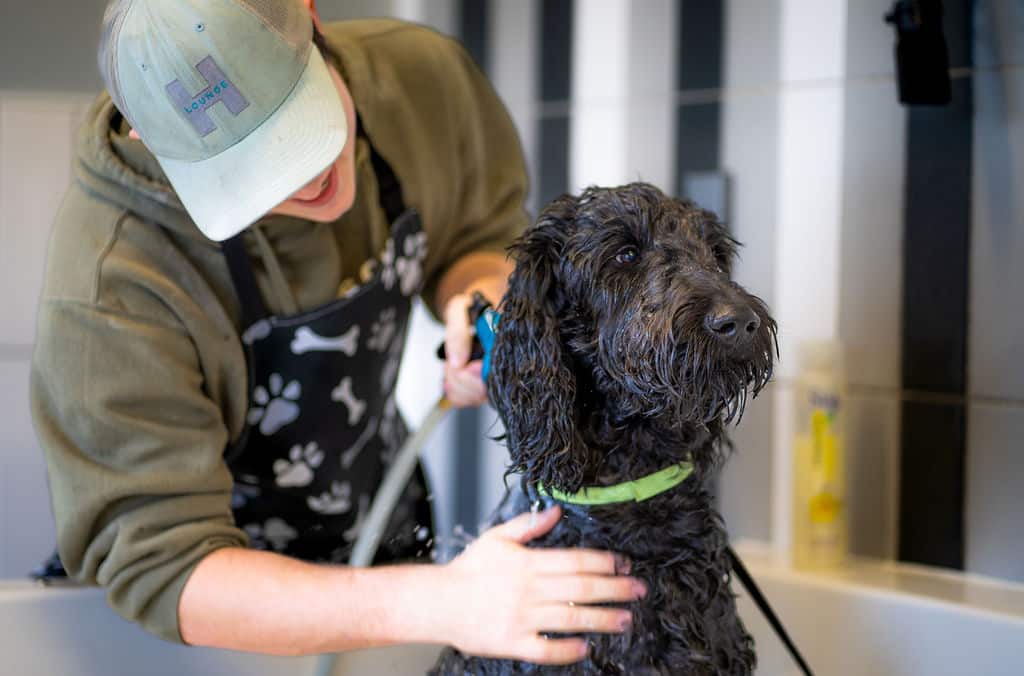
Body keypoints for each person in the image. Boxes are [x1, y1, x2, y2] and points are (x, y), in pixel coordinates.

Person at [30, 0, 647, 665]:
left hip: (375, 533)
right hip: (196, 629)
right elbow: (169, 566)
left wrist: (478, 297)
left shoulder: (421, 85)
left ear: (311, 18)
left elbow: (476, 234)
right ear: (154, 142)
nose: (308, 180)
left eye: (302, 125)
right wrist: (441, 603)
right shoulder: (110, 285)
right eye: (254, 165)